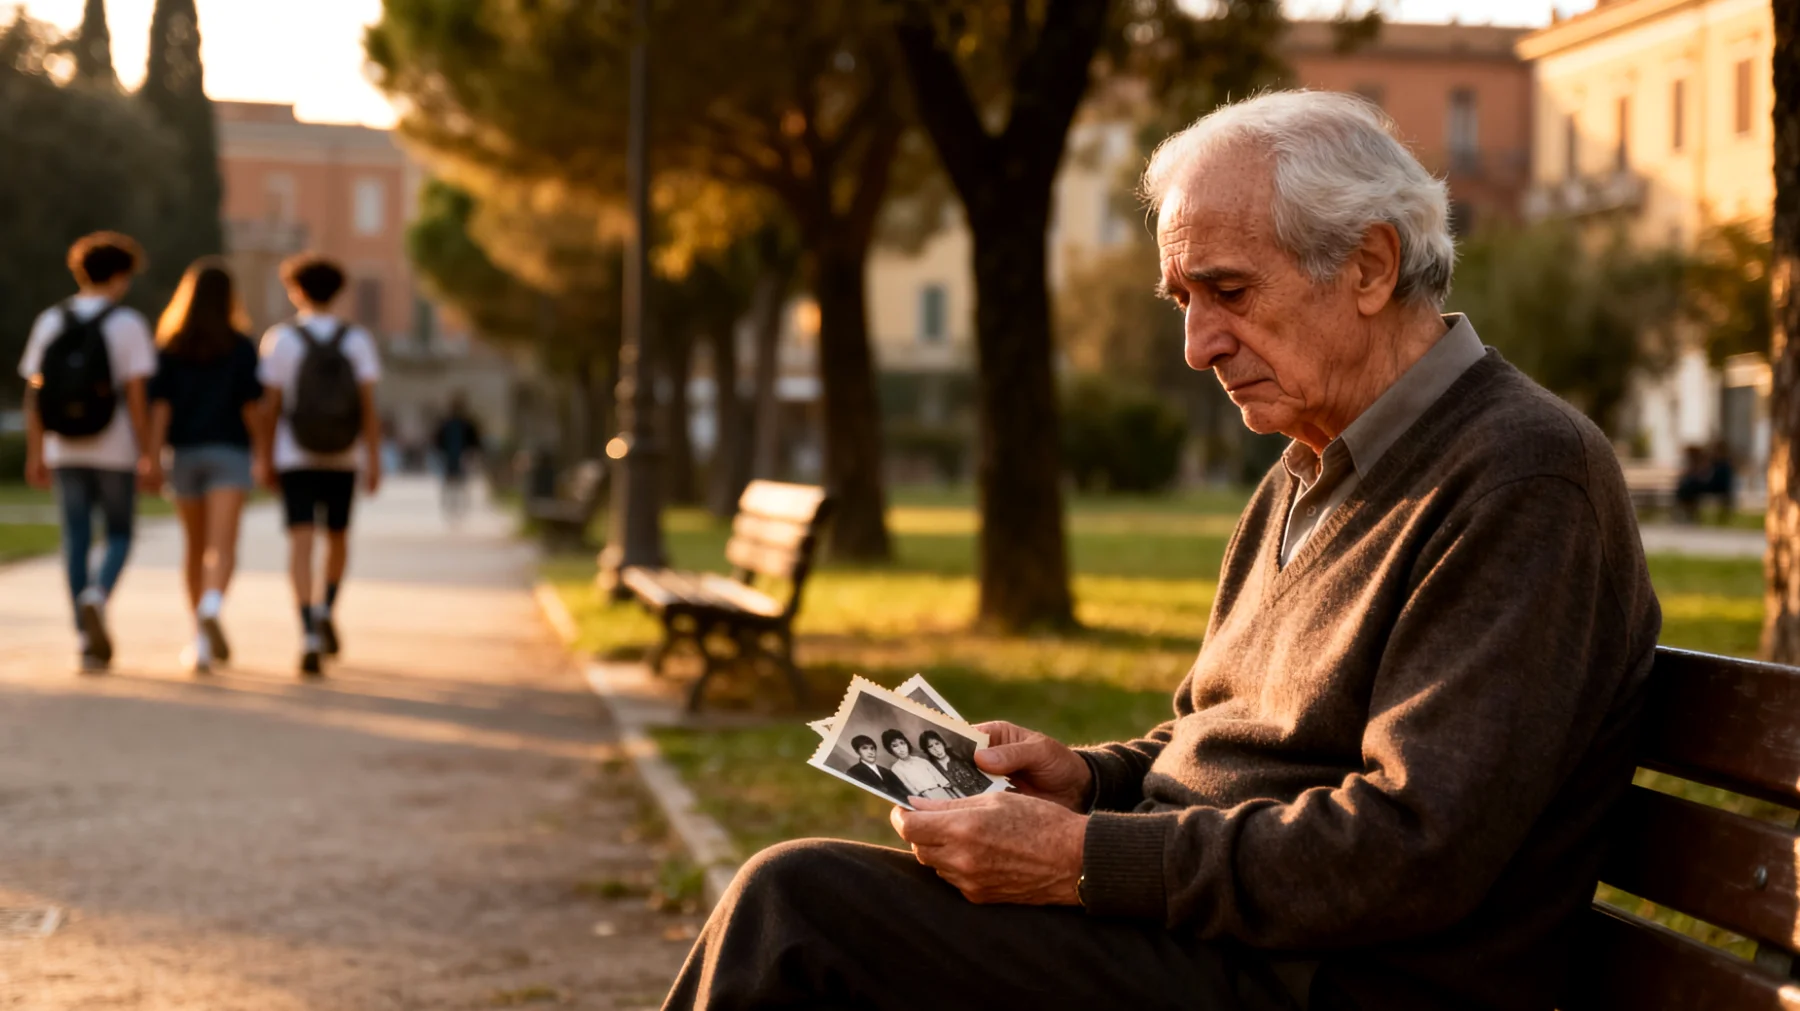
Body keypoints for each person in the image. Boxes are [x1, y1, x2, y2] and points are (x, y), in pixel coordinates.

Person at [662, 91, 1662, 1011]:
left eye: (1227, 290)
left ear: (1370, 265)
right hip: (1229, 944)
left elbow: (1412, 848)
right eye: (1181, 299)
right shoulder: (1311, 466)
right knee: (806, 905)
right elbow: (1217, 735)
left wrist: (1081, 859)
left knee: (799, 910)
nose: (1198, 345)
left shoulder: (1524, 475)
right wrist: (1089, 783)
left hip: (1340, 984)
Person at [18, 232, 160, 673]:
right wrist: (147, 451)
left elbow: (34, 393)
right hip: (113, 446)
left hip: (65, 447)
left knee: (75, 538)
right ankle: (98, 594)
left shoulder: (50, 321)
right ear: (120, 276)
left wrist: (36, 450)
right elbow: (137, 396)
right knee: (118, 532)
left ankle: (83, 635)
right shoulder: (128, 324)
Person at [256, 253, 382, 677]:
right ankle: (327, 606)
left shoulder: (280, 339)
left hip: (296, 455)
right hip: (344, 456)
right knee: (338, 537)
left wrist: (264, 456)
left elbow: (271, 407)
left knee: (301, 542)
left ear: (296, 290)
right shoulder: (357, 339)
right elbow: (368, 407)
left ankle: (307, 628)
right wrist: (375, 459)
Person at [144, 258, 265, 674]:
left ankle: (199, 641)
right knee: (224, 547)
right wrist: (264, 453)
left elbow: (159, 408)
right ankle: (213, 605)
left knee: (194, 550)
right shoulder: (241, 345)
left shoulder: (171, 346)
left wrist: (152, 458)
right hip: (229, 453)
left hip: (184, 455)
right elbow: (252, 408)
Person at [434, 392, 484, 521]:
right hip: (451, 456)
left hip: (461, 456)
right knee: (452, 483)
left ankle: (458, 508)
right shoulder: (449, 423)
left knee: (460, 484)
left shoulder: (465, 424)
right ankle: (452, 507)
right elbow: (438, 440)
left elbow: (474, 441)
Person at [881, 730, 958, 801]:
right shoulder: (896, 768)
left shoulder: (921, 761)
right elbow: (907, 786)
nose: (901, 749)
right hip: (925, 796)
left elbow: (939, 778)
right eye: (895, 746)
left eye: (902, 743)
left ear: (907, 743)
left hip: (941, 792)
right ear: (890, 750)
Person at [920, 730, 989, 799]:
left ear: (942, 743)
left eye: (937, 743)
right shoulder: (933, 768)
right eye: (930, 746)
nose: (936, 749)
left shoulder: (959, 754)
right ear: (927, 751)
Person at [843, 735, 910, 804]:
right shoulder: (853, 772)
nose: (870, 752)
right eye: (864, 748)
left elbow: (904, 792)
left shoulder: (886, 771)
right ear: (857, 752)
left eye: (872, 748)